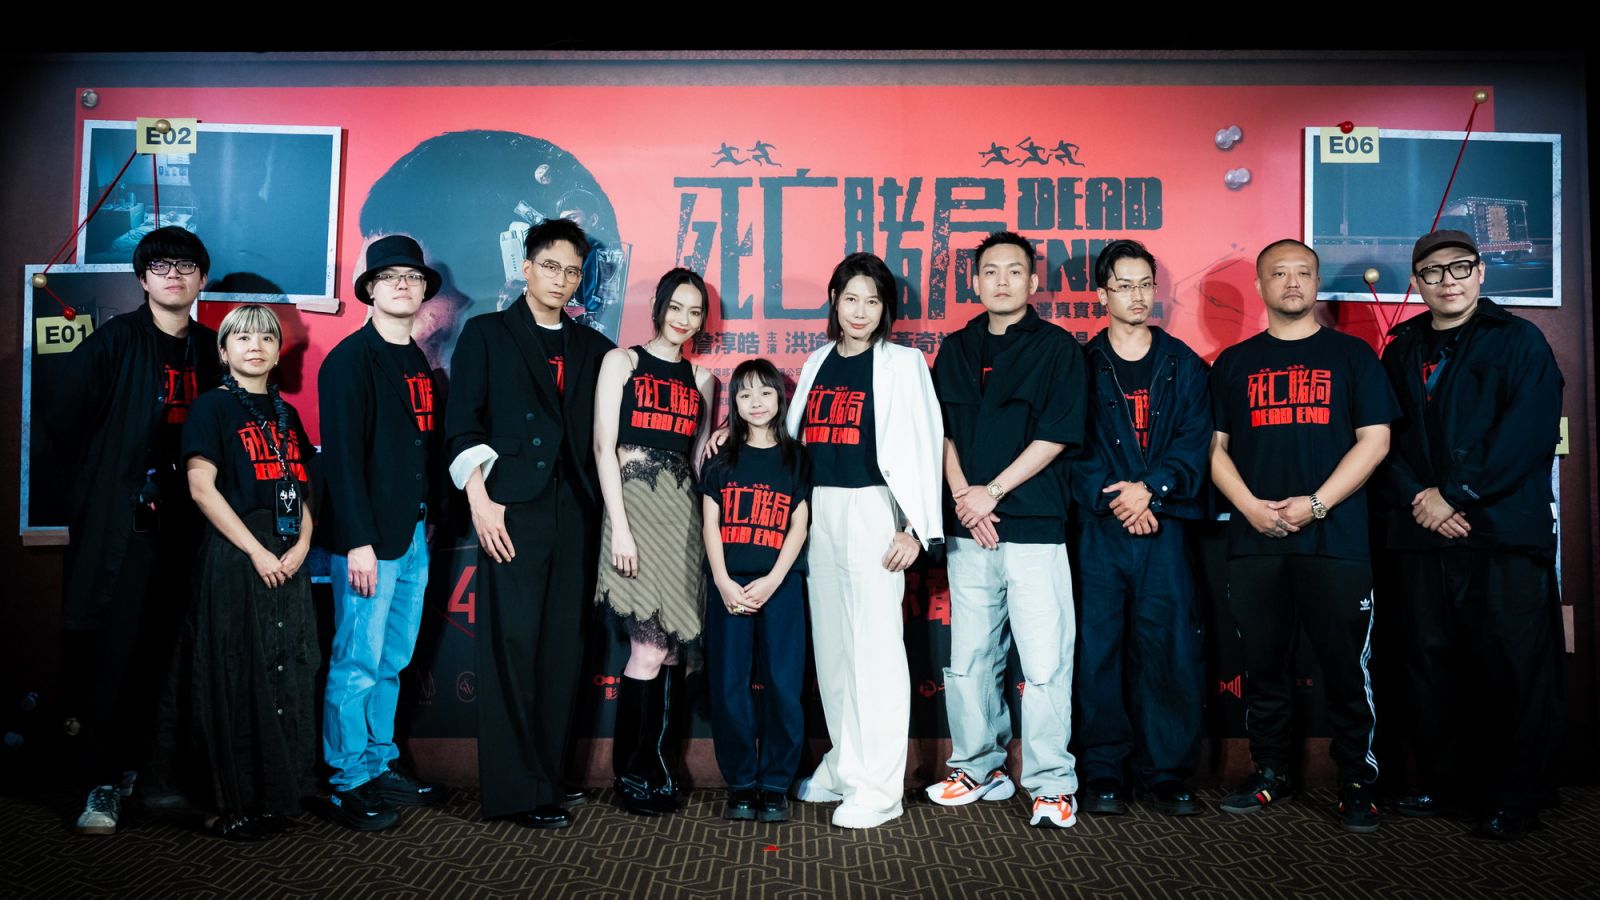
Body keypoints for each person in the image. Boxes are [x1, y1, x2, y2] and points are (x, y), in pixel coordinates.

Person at [1379, 229, 1565, 840]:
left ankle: (1515, 796)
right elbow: (1382, 439)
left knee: (1512, 666)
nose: (1448, 280)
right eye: (1432, 272)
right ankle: (1442, 782)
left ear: (1481, 271)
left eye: (1459, 267)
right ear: (1417, 283)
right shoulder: (1401, 350)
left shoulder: (1520, 340)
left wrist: (1454, 494)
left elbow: (1528, 433)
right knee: (1429, 663)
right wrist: (1419, 498)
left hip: (1500, 533)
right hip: (1423, 534)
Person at [1209, 239, 1398, 834]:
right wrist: (1250, 508)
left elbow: (1376, 441)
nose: (1292, 282)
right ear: (1260, 286)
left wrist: (1316, 505)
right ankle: (1271, 771)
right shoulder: (1233, 363)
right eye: (1279, 273)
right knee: (1262, 667)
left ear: (1317, 283)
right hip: (1255, 541)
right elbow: (1214, 449)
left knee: (1346, 670)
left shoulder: (1353, 356)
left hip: (1335, 541)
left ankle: (1357, 782)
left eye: (1303, 272)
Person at [446, 218, 616, 830]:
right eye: (551, 267)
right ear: (526, 268)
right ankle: (516, 790)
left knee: (563, 650)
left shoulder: (594, 348)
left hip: (576, 510)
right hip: (511, 510)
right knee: (512, 647)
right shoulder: (487, 334)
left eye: (573, 271)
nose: (562, 280)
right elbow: (461, 425)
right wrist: (480, 500)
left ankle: (549, 776)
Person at [50, 226, 220, 835]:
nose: (174, 275)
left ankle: (153, 776)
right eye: (161, 266)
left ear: (202, 278)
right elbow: (65, 424)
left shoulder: (213, 349)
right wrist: (106, 488)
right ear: (143, 278)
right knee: (116, 650)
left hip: (195, 527)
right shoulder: (114, 341)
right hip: (126, 529)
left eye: (186, 265)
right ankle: (102, 780)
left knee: (174, 654)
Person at [925, 231, 1086, 829]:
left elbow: (1056, 435)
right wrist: (965, 498)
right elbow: (940, 432)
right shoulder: (955, 348)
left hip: (1035, 525)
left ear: (1033, 281)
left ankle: (1052, 783)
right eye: (990, 271)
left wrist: (989, 493)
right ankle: (977, 767)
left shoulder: (1058, 349)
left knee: (1044, 663)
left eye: (1014, 271)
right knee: (969, 659)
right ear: (974, 282)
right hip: (969, 528)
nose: (1001, 281)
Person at [789, 252, 944, 829]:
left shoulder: (904, 364)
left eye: (872, 301)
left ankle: (879, 788)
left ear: (886, 309)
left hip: (875, 509)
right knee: (833, 651)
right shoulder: (817, 360)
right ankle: (845, 764)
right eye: (851, 298)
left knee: (875, 651)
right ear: (834, 300)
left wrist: (914, 527)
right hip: (819, 511)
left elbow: (925, 442)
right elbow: (794, 439)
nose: (860, 311)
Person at [161, 304, 318, 840]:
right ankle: (225, 804)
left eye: (266, 338)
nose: (256, 346)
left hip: (287, 559)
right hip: (237, 557)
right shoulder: (212, 408)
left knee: (281, 675)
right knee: (231, 676)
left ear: (278, 352)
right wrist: (256, 551)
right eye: (243, 338)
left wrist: (302, 544)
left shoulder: (287, 414)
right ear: (224, 352)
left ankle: (273, 795)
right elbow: (201, 489)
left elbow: (301, 489)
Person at [1071, 240, 1211, 817]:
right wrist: (1122, 498)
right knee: (1098, 651)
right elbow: (1070, 445)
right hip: (1101, 529)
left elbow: (1195, 441)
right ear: (1101, 294)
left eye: (1145, 284)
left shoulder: (1184, 364)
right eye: (1124, 285)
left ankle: (1167, 773)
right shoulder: (1079, 364)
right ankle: (1103, 770)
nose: (1137, 295)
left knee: (1168, 650)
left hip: (1165, 526)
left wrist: (1152, 488)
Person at [317, 235, 446, 832]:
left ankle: (377, 761)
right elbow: (341, 460)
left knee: (392, 658)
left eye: (412, 277)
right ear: (369, 289)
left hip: (413, 533)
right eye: (389, 276)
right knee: (357, 659)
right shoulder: (349, 361)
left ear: (423, 292)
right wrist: (357, 541)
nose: (402, 284)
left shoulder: (417, 359)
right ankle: (345, 778)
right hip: (368, 540)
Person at [592, 268, 715, 817]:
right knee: (645, 649)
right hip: (633, 513)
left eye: (695, 312)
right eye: (677, 307)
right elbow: (603, 448)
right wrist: (618, 525)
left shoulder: (703, 380)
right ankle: (631, 773)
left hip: (682, 519)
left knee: (672, 652)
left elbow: (696, 459)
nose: (684, 319)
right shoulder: (622, 362)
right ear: (660, 306)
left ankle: (660, 769)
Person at [700, 358, 812, 823]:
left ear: (779, 398)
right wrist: (723, 581)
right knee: (730, 688)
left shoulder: (796, 457)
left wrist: (775, 579)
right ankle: (742, 784)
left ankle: (775, 785)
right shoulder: (721, 458)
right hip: (730, 586)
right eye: (744, 394)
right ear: (735, 403)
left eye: (765, 392)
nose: (756, 402)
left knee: (784, 687)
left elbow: (799, 524)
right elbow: (710, 523)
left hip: (780, 586)